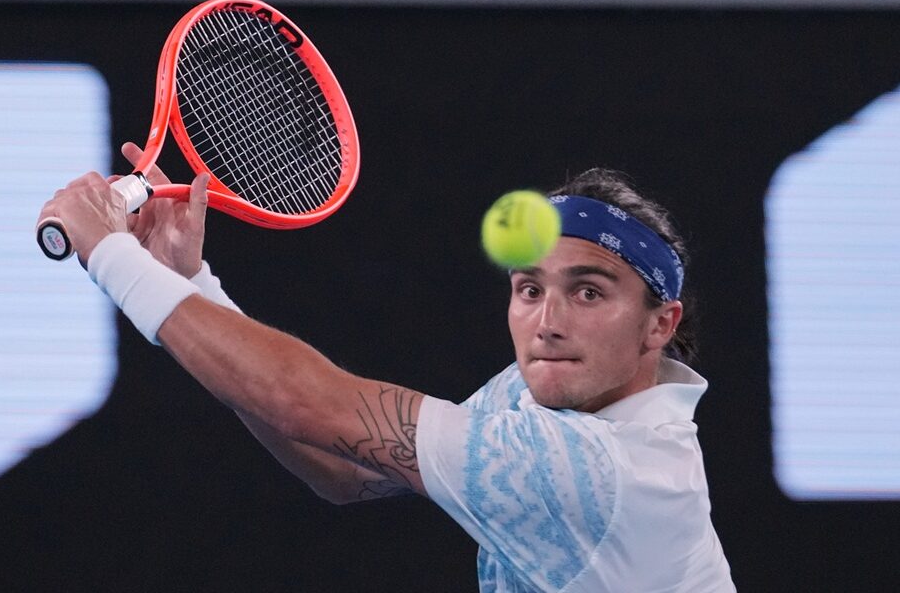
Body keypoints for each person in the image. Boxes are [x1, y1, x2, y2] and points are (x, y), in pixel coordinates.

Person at [38, 143, 736, 592]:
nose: (548, 322)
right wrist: (189, 286)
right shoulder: (546, 397)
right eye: (529, 290)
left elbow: (308, 403)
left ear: (660, 324)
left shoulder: (599, 469)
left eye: (588, 293)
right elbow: (343, 471)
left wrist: (111, 253)